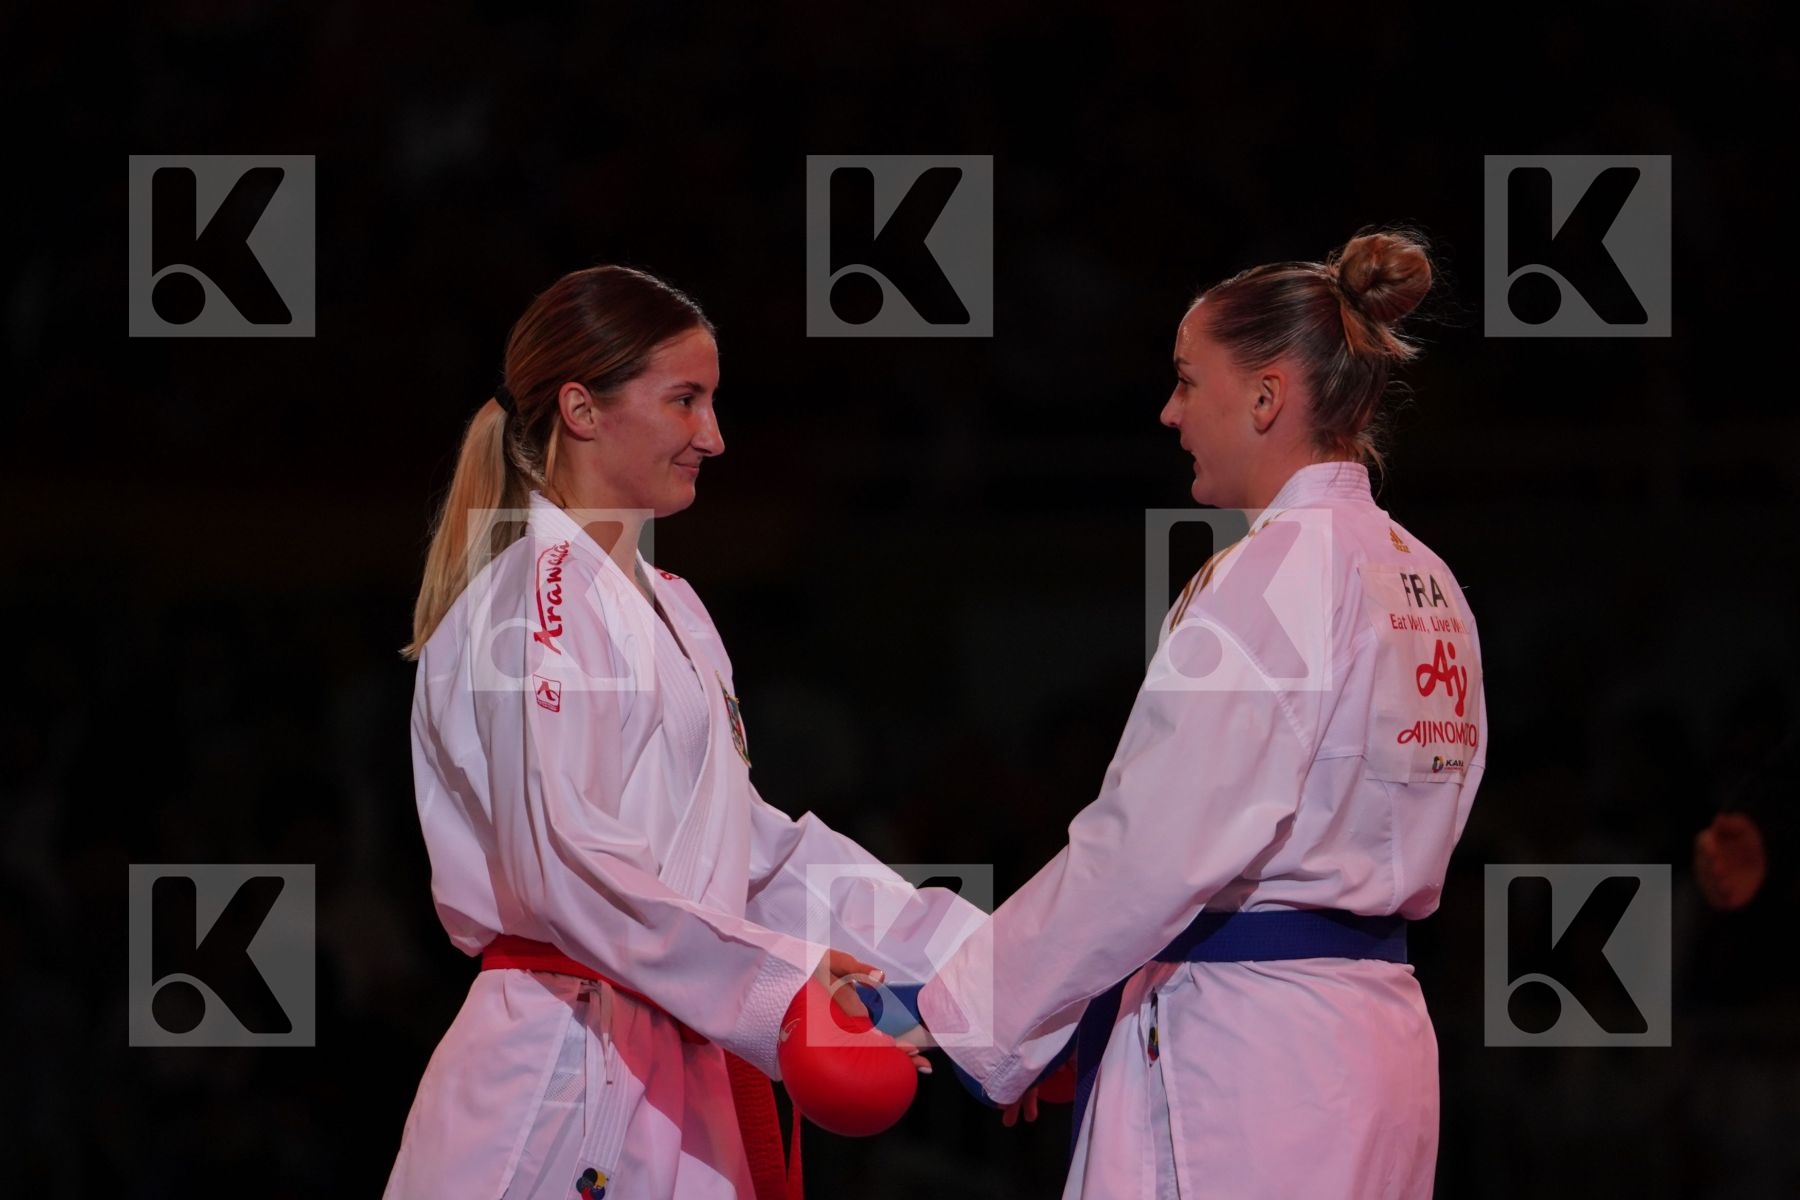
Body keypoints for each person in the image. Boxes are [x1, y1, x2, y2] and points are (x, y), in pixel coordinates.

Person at [911, 230, 1488, 1198]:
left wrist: (975, 1013)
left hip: (1245, 1057)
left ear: (1265, 397)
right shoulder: (1422, 573)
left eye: (1187, 381)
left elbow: (1156, 843)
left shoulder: (1274, 572)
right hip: (1372, 1045)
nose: (1169, 411)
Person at [386, 266, 982, 1200]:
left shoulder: (673, 607)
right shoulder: (530, 600)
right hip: (564, 1064)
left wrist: (988, 983)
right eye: (684, 401)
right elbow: (566, 863)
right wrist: (781, 985)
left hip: (682, 1057)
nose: (713, 436)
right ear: (582, 409)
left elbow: (749, 856)